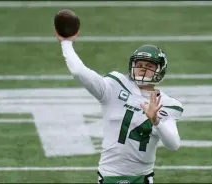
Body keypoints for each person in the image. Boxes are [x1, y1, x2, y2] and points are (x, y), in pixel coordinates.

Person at [55, 30, 183, 184]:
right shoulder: (115, 86)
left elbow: (174, 144)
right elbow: (79, 72)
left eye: (149, 66)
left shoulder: (166, 103)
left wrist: (156, 121)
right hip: (109, 175)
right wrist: (66, 42)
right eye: (139, 64)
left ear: (159, 70)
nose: (143, 69)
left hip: (142, 178)